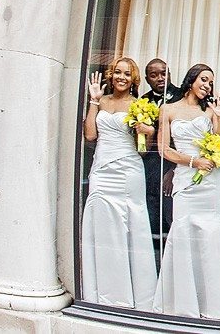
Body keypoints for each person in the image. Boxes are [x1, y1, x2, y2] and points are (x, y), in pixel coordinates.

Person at [154, 64, 220, 320]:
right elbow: (164, 149)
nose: (207, 85)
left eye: (211, 82)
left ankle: (216, 302)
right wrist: (193, 162)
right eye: (204, 79)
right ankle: (185, 302)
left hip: (210, 182)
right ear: (191, 79)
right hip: (186, 178)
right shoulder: (168, 109)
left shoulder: (209, 110)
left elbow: (218, 143)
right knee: (184, 233)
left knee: (211, 236)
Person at [80, 57, 157, 309]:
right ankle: (104, 289)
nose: (122, 77)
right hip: (102, 170)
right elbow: (90, 135)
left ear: (133, 78)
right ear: (111, 76)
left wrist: (146, 132)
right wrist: (93, 101)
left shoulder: (138, 104)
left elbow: (143, 150)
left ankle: (134, 293)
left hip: (128, 170)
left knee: (129, 228)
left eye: (127, 73)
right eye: (118, 73)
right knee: (102, 228)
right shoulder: (101, 101)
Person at [139, 58, 181, 254]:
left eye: (163, 73)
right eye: (154, 75)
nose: (160, 78)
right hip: (149, 170)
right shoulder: (142, 102)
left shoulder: (183, 96)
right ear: (147, 79)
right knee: (153, 222)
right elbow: (141, 145)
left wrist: (174, 170)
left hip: (177, 169)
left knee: (174, 222)